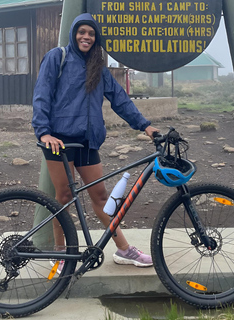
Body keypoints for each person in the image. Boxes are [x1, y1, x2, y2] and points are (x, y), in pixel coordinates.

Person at [32, 13, 159, 268]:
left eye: (91, 34)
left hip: (88, 142)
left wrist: (145, 126)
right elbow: (42, 94)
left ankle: (124, 250)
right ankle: (61, 254)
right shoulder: (58, 57)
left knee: (101, 197)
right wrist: (43, 132)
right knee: (65, 196)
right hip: (59, 141)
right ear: (74, 34)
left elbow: (120, 100)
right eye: (82, 32)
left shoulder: (98, 69)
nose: (86, 37)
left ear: (96, 38)